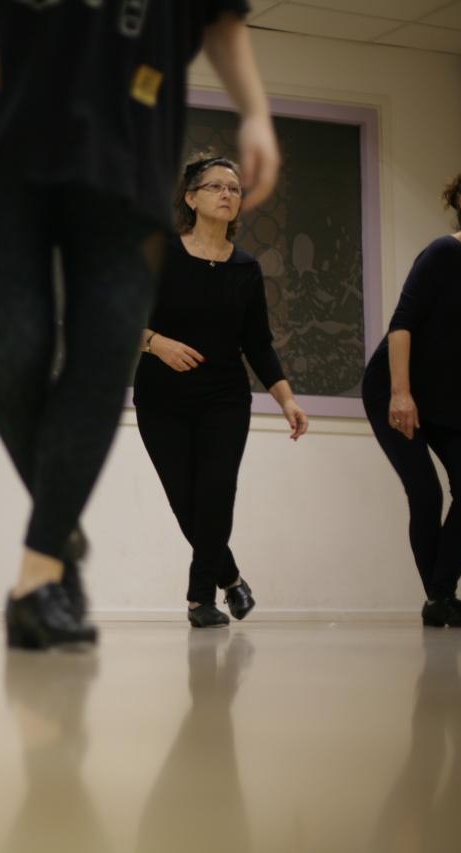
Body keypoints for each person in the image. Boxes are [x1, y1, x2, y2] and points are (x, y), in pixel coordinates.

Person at [0, 0, 280, 649]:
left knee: (105, 357)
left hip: (128, 128)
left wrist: (254, 110)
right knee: (16, 354)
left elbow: (221, 15)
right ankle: (61, 523)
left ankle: (38, 574)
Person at [135, 153, 308, 628]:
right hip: (162, 398)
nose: (227, 194)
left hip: (225, 397)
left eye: (234, 188)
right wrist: (156, 343)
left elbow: (259, 343)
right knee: (186, 501)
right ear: (191, 199)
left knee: (216, 493)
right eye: (215, 186)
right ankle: (230, 577)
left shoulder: (246, 268)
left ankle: (200, 599)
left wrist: (287, 399)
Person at [362, 165, 461, 628]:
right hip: (397, 388)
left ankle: (440, 598)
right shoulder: (442, 254)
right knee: (426, 494)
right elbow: (402, 324)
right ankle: (442, 597)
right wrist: (401, 394)